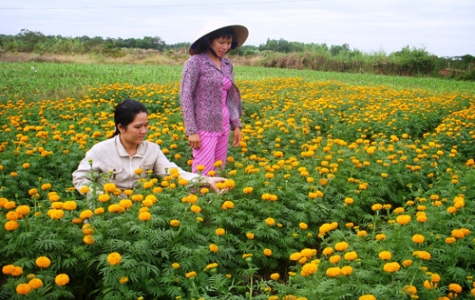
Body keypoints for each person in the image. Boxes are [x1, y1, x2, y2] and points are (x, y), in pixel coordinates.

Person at [72, 99, 226, 199]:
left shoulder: (152, 150)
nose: (144, 131)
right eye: (138, 127)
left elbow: (174, 173)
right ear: (121, 127)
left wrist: (205, 179)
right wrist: (100, 196)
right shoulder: (101, 151)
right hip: (107, 210)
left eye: (146, 125)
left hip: (141, 210)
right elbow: (80, 177)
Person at [180, 20, 248, 176]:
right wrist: (191, 130)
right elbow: (186, 97)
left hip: (223, 123)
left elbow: (230, 96)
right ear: (208, 40)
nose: (225, 47)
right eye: (221, 42)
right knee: (202, 171)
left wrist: (236, 124)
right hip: (204, 125)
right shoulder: (195, 63)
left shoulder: (227, 64)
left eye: (229, 43)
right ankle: (196, 199)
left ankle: (215, 199)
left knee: (218, 169)